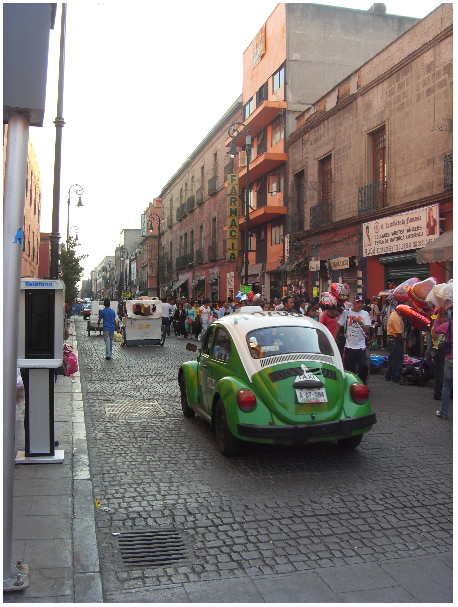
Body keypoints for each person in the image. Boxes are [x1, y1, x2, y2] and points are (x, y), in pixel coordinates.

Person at [333, 295, 371, 384]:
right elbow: (339, 326)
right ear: (353, 303)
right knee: (349, 369)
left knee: (363, 366)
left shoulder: (365, 314)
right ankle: (351, 385)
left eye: (362, 303)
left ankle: (362, 384)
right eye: (358, 302)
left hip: (361, 346)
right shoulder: (347, 313)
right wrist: (333, 339)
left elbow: (367, 329)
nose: (360, 305)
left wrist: (359, 322)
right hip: (349, 345)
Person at [433, 308, 453, 420]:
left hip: (450, 358)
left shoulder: (448, 325)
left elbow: (435, 330)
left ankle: (444, 411)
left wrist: (438, 315)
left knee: (447, 386)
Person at [384, 304, 404, 383]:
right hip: (395, 339)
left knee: (392, 358)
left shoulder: (395, 315)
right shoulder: (395, 317)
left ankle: (388, 375)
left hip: (392, 339)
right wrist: (401, 341)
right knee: (397, 358)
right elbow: (398, 332)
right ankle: (396, 376)